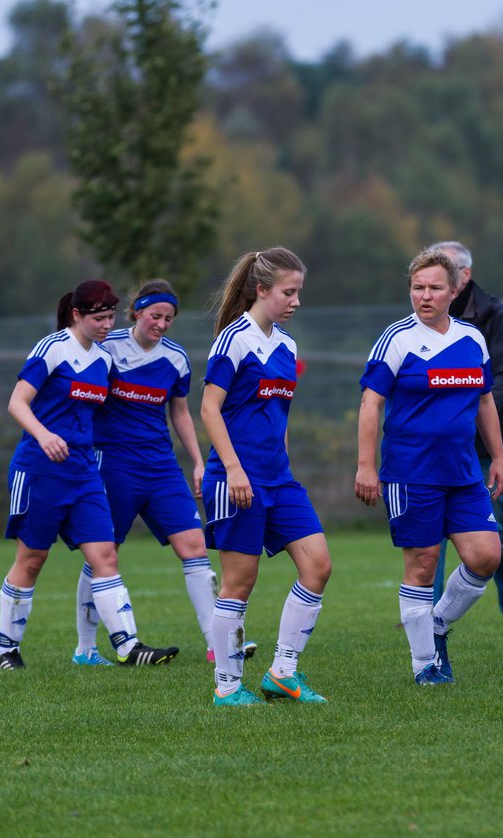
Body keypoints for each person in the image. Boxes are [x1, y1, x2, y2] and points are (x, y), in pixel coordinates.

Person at [0, 280, 179, 670]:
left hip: (84, 473)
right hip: (40, 469)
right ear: (77, 315)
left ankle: (128, 646)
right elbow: (17, 402)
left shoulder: (104, 360)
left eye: (111, 317)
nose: (106, 324)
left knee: (105, 554)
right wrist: (44, 435)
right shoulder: (53, 348)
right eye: (98, 317)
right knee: (32, 559)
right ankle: (6, 651)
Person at [69, 279, 240, 666]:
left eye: (169, 318)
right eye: (155, 316)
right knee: (103, 552)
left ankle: (216, 644)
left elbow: (179, 411)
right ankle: (86, 648)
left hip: (161, 468)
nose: (162, 324)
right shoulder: (106, 348)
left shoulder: (176, 358)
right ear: (137, 313)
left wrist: (198, 460)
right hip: (113, 464)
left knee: (195, 547)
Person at [355, 247, 503, 685]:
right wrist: (367, 466)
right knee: (422, 564)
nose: (425, 296)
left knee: (486, 556)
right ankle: (425, 664)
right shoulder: (397, 339)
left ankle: (436, 624)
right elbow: (371, 403)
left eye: (435, 288)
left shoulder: (471, 339)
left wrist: (497, 457)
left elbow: (484, 400)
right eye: (417, 287)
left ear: (455, 290)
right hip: (410, 472)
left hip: (462, 473)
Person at [202, 248, 333, 706]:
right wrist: (235, 469)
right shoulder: (232, 340)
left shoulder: (287, 345)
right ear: (261, 290)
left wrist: (284, 467)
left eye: (299, 292)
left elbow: (277, 417)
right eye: (288, 292)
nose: (297, 301)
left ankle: (282, 673)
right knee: (240, 583)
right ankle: (227, 687)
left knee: (318, 565)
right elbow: (209, 408)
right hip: (235, 480)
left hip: (279, 480)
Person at [432, 241, 503, 622]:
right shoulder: (423, 320)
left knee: (499, 525)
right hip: (441, 445)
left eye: (443, 273)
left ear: (464, 276)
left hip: (492, 442)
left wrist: (467, 409)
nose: (431, 288)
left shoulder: (494, 316)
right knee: (432, 530)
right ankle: (428, 610)